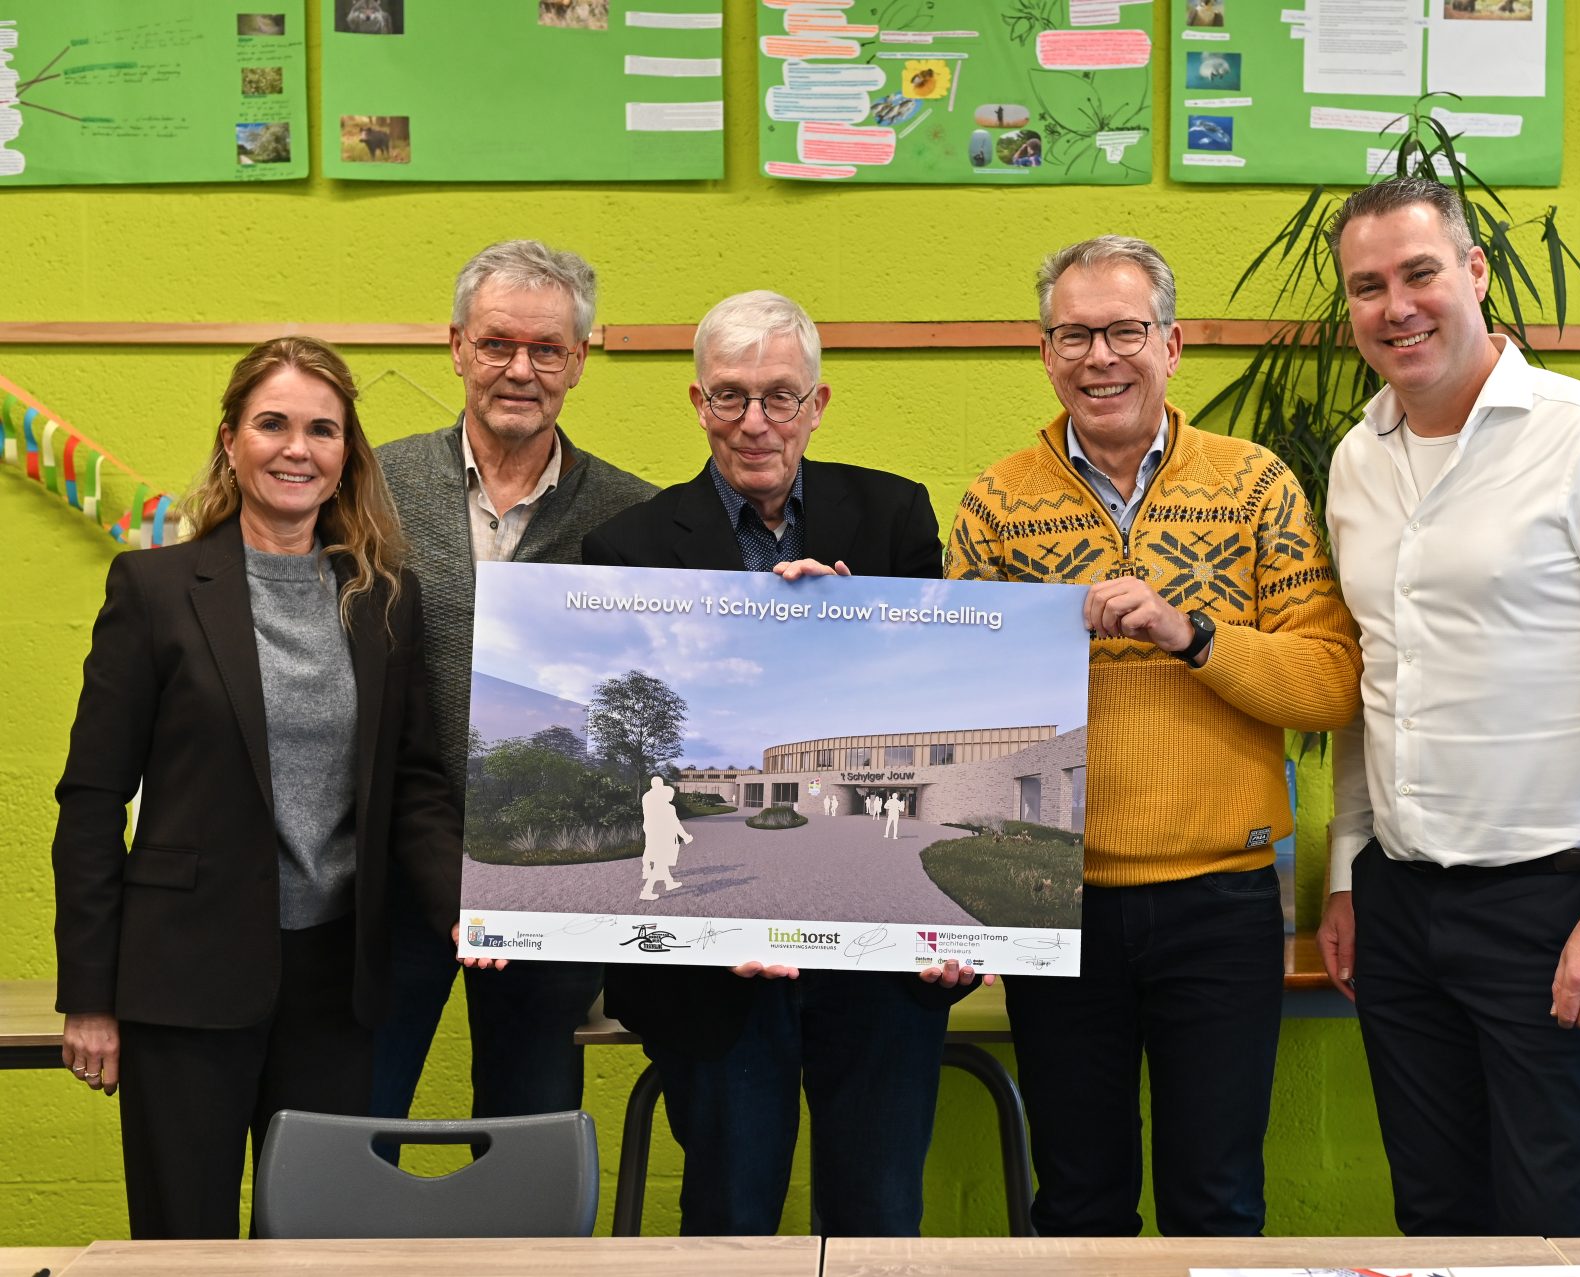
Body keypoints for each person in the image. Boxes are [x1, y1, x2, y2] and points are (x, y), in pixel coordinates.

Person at [1315, 177, 1580, 1237]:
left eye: (1418, 273)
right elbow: (1374, 680)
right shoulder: (1357, 461)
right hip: (1400, 905)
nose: (1395, 305)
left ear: (1475, 272)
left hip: (1557, 906)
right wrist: (1348, 867)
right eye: (1367, 286)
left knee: (1554, 1229)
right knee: (1437, 1217)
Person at [945, 236, 1363, 1237]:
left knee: (1216, 1200)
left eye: (1125, 331)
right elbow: (961, 707)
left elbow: (1328, 682)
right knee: (1078, 1201)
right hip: (1056, 899)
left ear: (1171, 344)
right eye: (1075, 334)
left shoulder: (1256, 486)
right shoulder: (996, 501)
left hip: (1222, 897)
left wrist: (1196, 633)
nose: (1101, 356)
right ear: (1045, 352)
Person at [51, 337, 500, 1239]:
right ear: (231, 440)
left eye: (322, 430)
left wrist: (469, 902)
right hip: (184, 979)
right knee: (185, 1241)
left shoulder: (382, 598)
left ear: (346, 458)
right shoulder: (156, 588)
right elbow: (92, 799)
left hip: (337, 984)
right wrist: (89, 996)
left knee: (320, 1239)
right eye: (274, 423)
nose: (298, 447)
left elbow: (411, 782)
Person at [583, 289, 983, 1237]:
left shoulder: (891, 515)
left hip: (880, 972)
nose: (754, 422)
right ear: (695, 402)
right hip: (711, 973)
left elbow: (932, 697)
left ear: (818, 403)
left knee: (880, 1215)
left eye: (778, 396)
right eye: (729, 397)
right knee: (727, 1217)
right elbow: (630, 738)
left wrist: (852, 633)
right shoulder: (628, 547)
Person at [371, 240, 656, 1135]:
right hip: (387, 866)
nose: (520, 370)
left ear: (578, 360)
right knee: (353, 1119)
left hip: (545, 872)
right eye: (497, 344)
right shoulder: (370, 486)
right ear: (456, 346)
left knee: (526, 1127)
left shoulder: (632, 514)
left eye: (546, 349)